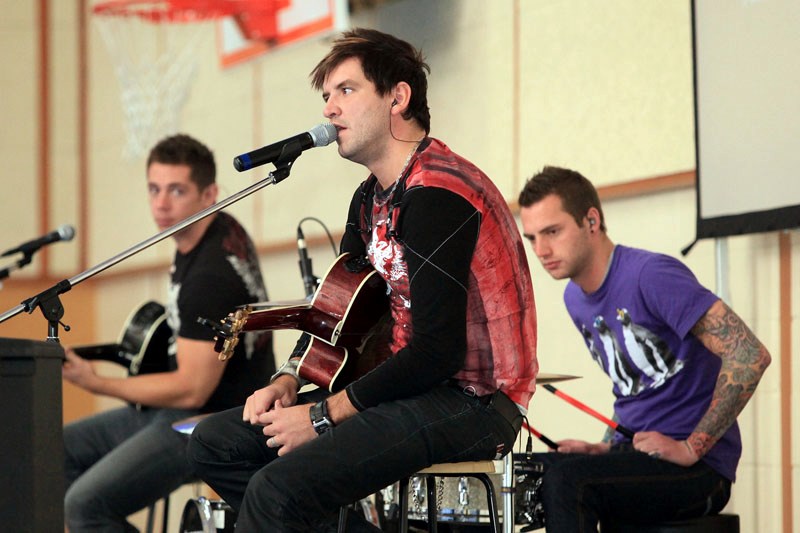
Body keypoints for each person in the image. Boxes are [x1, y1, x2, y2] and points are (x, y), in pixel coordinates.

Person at [187, 28, 538, 532]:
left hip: (473, 399)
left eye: (345, 91)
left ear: (398, 96)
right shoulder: (368, 197)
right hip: (408, 389)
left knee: (278, 488)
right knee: (213, 443)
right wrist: (289, 380)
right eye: (326, 96)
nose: (329, 108)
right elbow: (340, 319)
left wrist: (322, 416)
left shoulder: (440, 193)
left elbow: (437, 352)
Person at [517, 166, 771, 531]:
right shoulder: (575, 298)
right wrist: (604, 448)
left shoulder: (651, 275)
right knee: (538, 471)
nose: (541, 250)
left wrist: (691, 448)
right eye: (532, 238)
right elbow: (633, 385)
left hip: (699, 470)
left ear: (592, 220)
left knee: (568, 482)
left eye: (552, 232)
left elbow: (749, 355)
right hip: (637, 454)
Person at [62, 134, 275, 532]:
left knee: (85, 505)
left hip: (213, 420)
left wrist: (97, 383)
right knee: (55, 451)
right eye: (154, 189)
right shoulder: (210, 227)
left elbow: (191, 389)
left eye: (177, 190)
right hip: (178, 410)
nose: (161, 204)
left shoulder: (210, 276)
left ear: (209, 193)